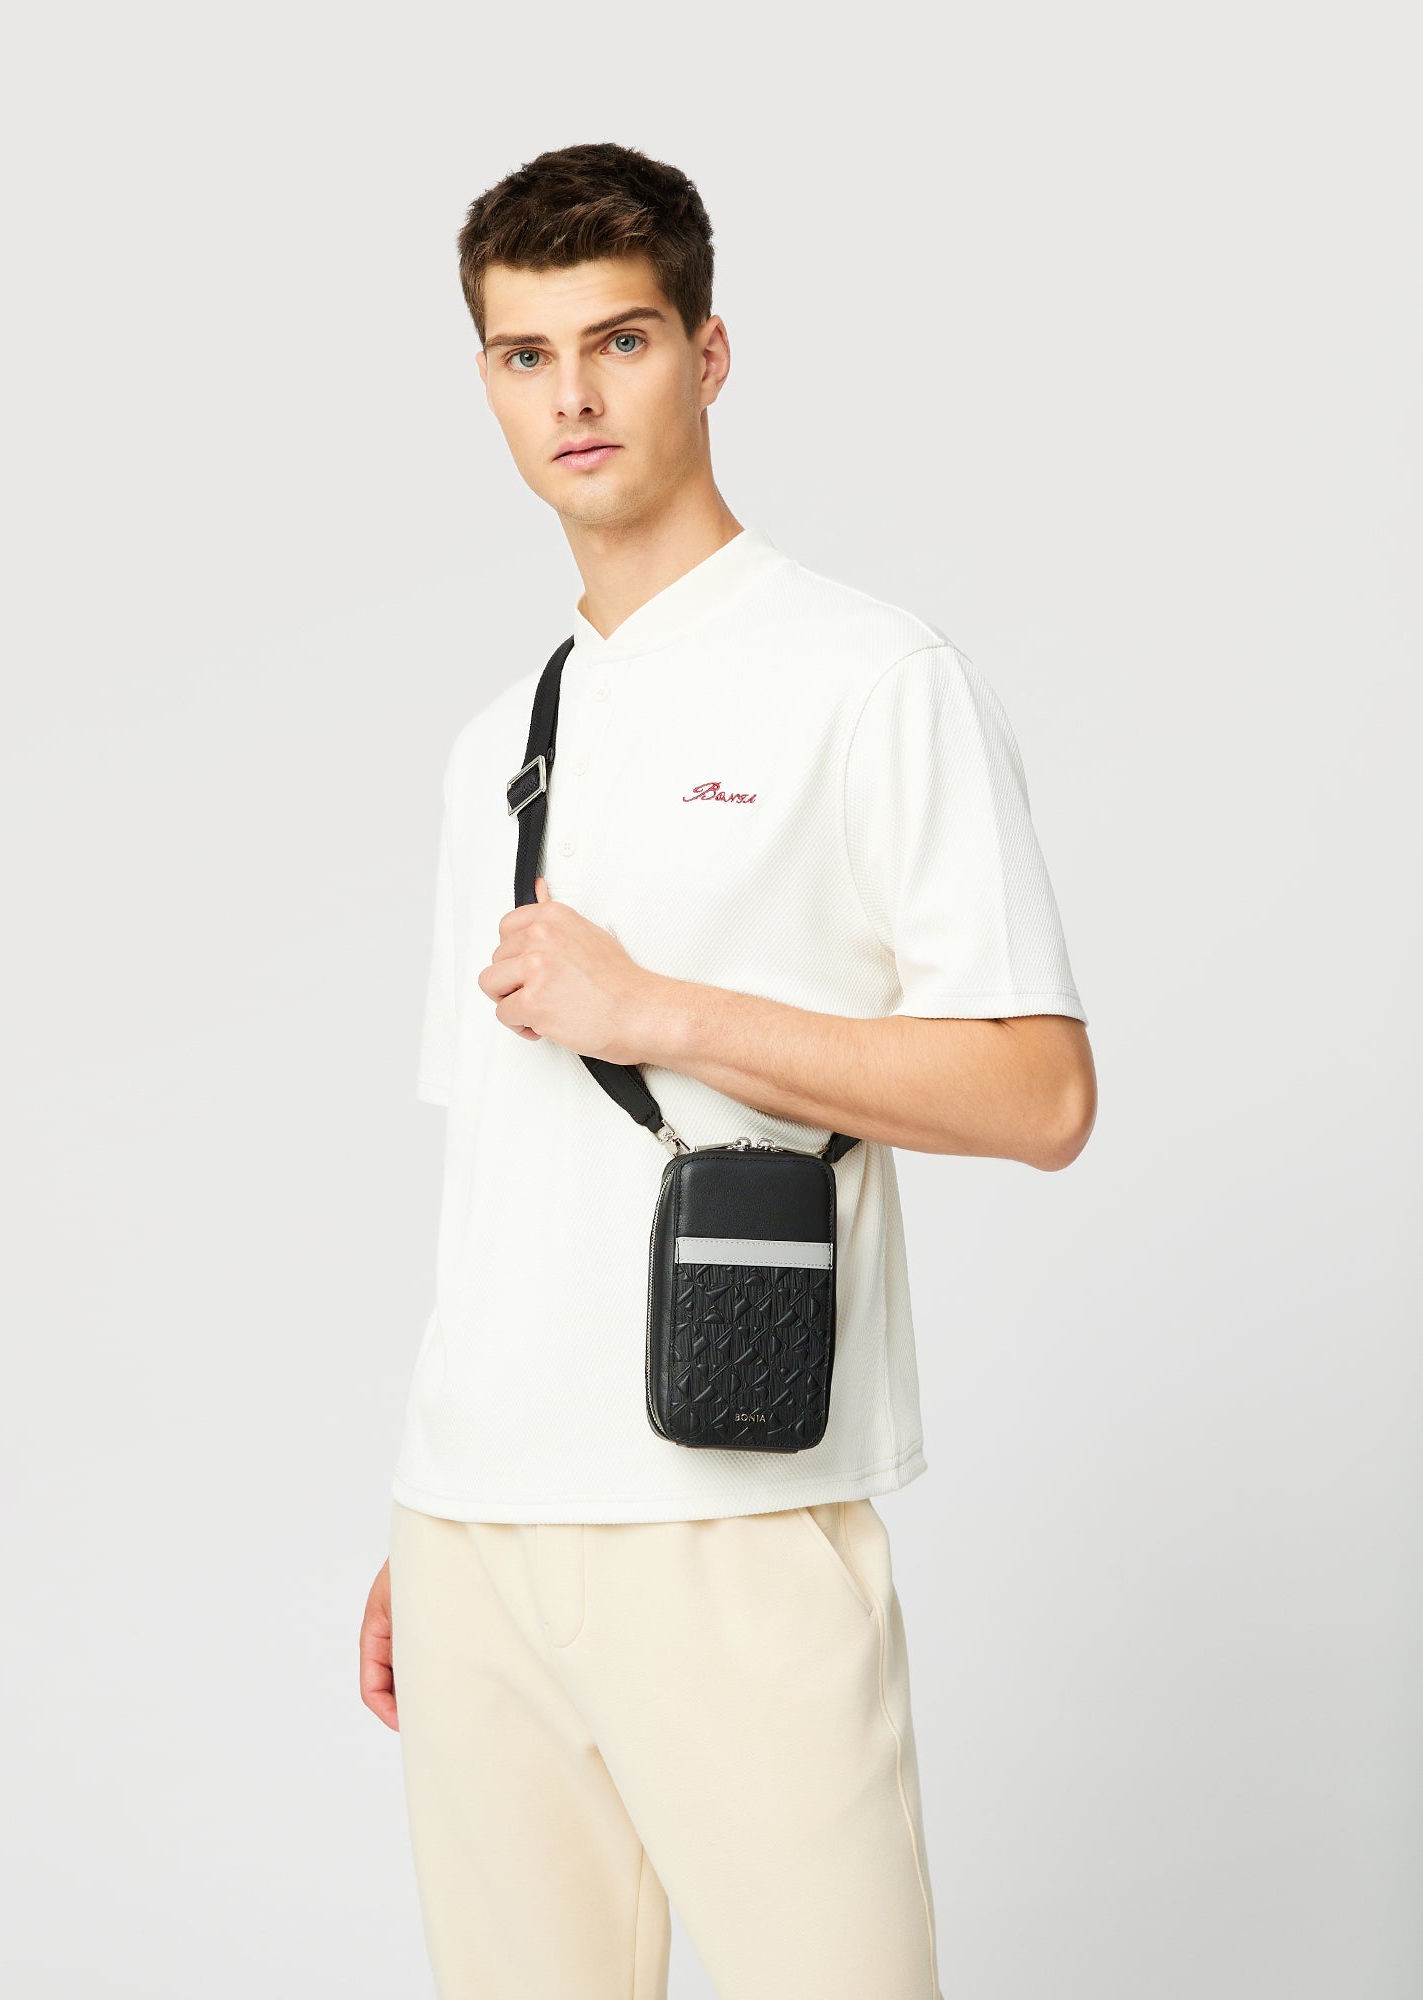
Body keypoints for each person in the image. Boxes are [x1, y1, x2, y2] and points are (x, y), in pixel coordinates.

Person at [358, 140, 1096, 2000]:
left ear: (707, 352)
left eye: (618, 341)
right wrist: (427, 1509)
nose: (575, 396)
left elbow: (1040, 1096)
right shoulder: (497, 742)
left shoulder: (870, 676)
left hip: (731, 1517)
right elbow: (500, 1172)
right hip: (479, 1528)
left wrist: (664, 1013)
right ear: (486, 383)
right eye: (526, 356)